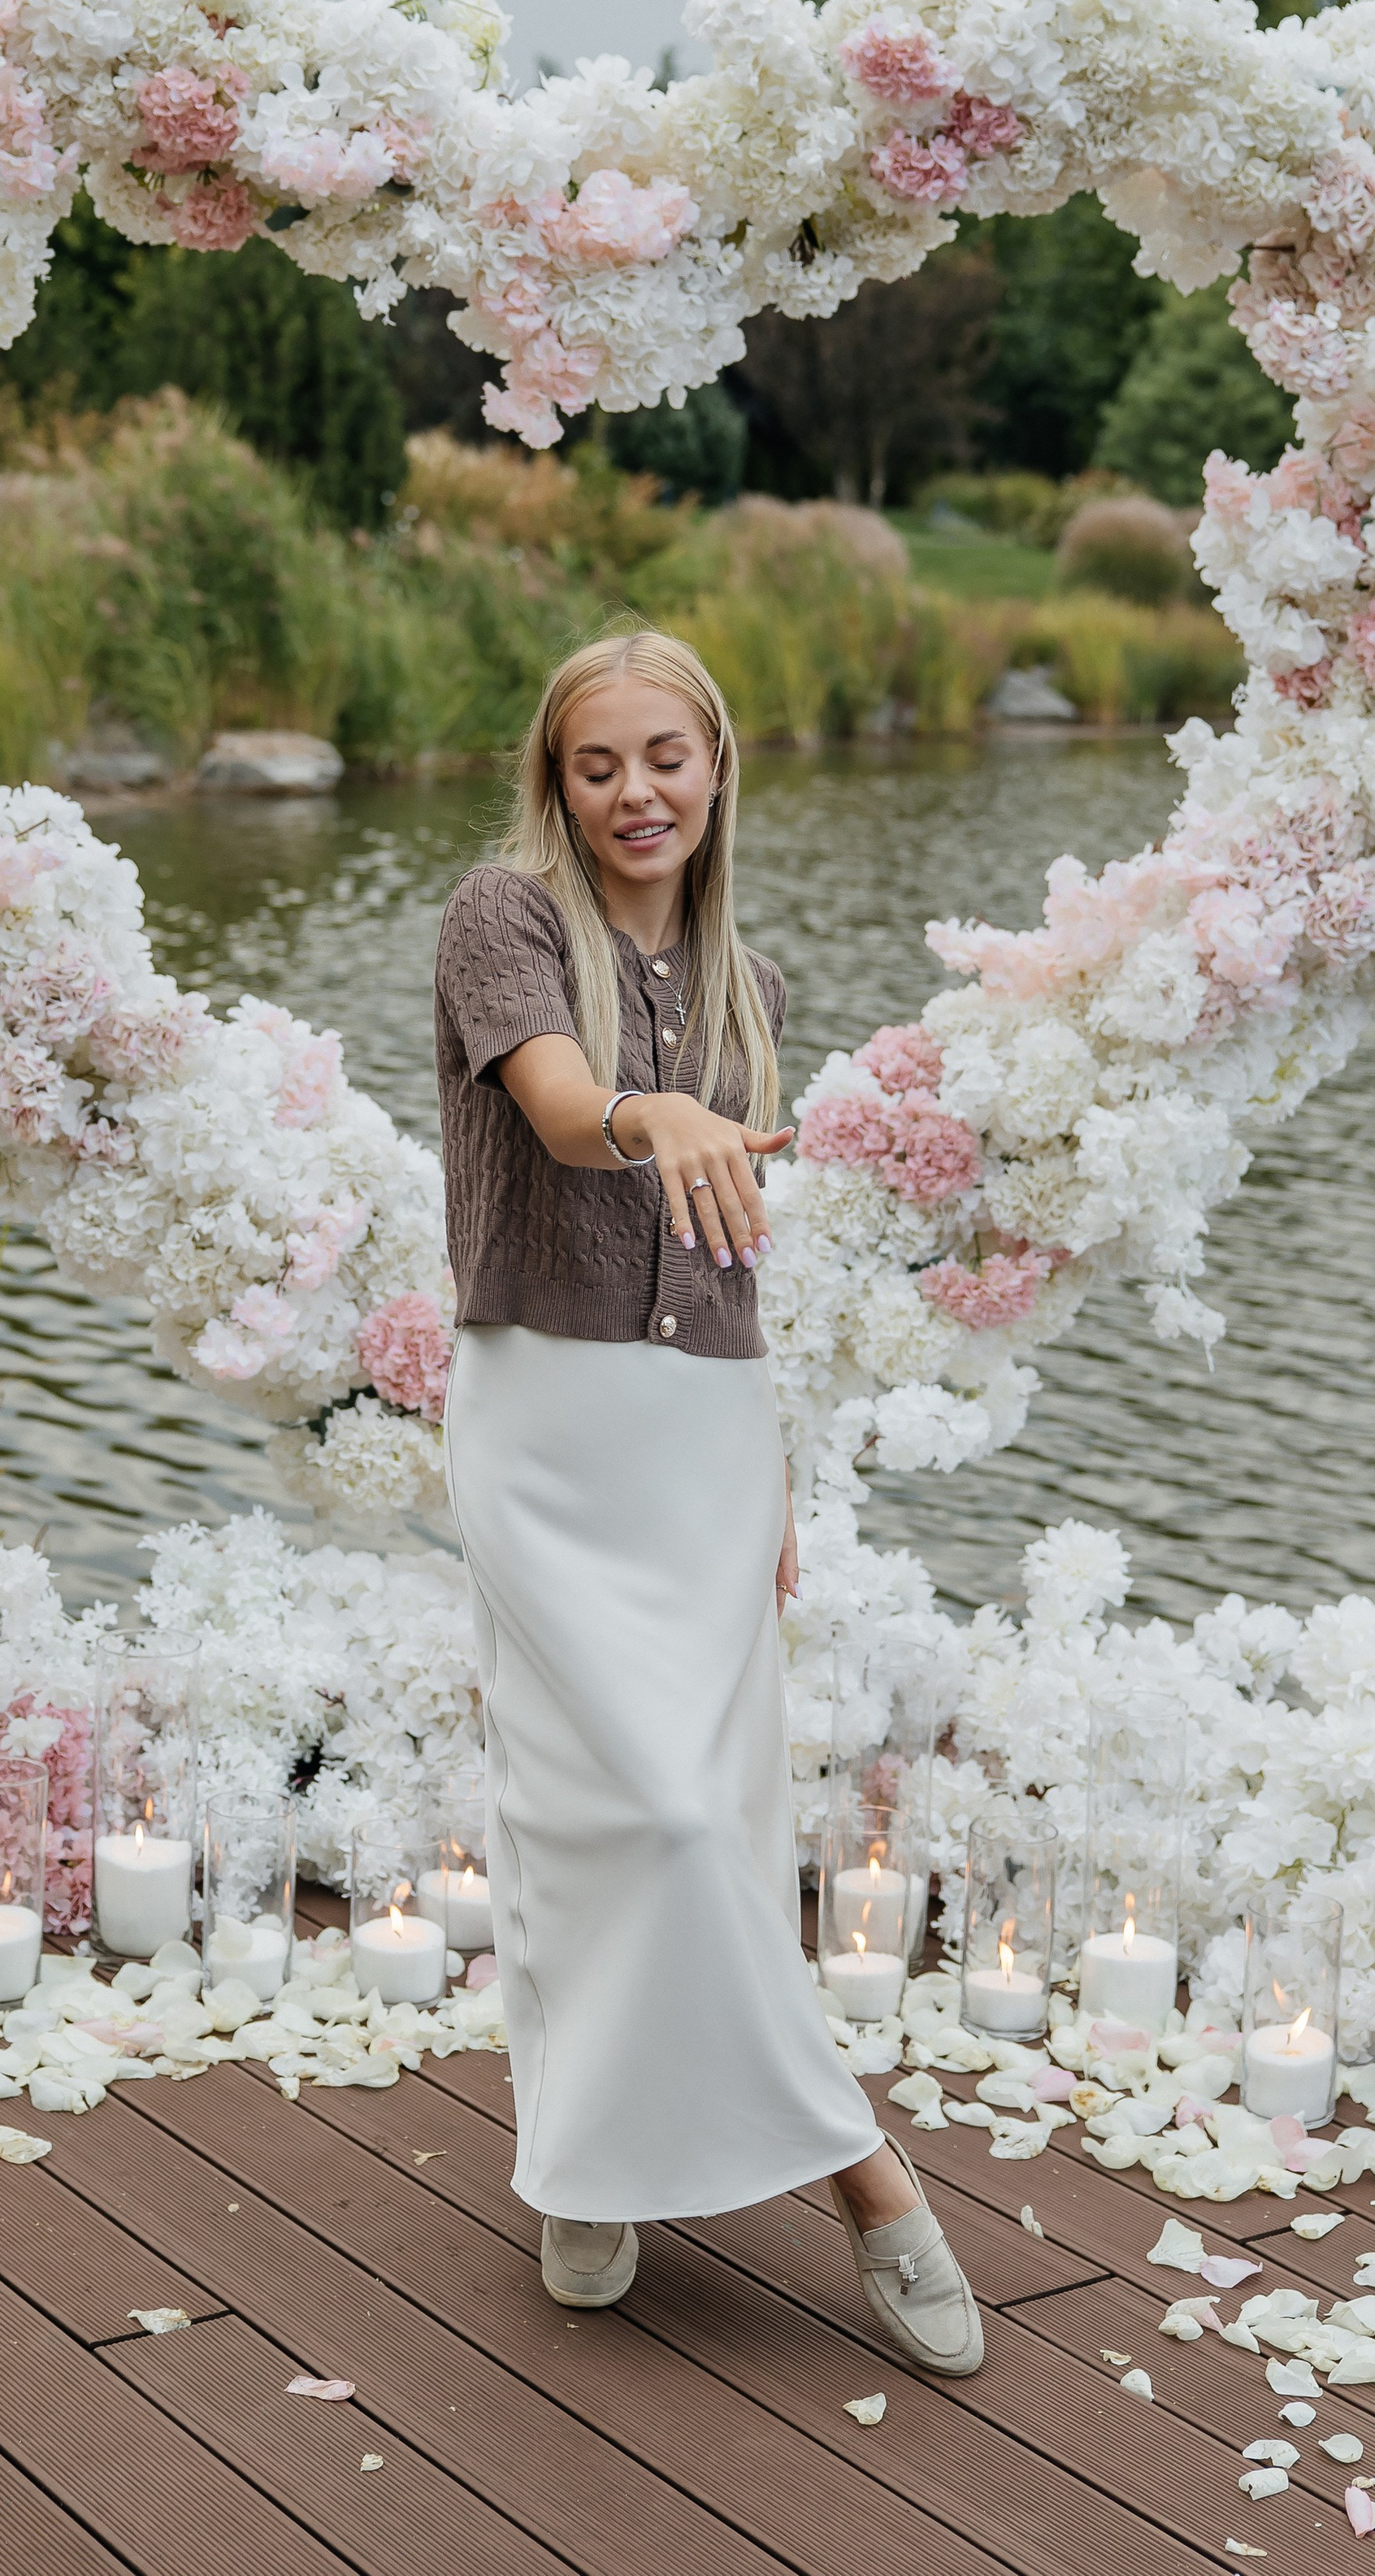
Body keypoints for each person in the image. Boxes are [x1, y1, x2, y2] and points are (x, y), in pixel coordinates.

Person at [432, 627, 982, 2375]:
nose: (632, 794)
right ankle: (870, 2180)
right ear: (555, 782)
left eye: (662, 757)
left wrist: (774, 1475)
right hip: (550, 1432)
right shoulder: (499, 922)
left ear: (717, 766)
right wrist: (652, 1112)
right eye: (596, 766)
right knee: (617, 1814)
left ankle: (583, 2161)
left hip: (703, 1444)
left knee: (708, 1828)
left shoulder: (740, 973)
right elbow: (571, 1113)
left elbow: (734, 1266)